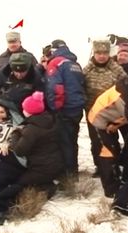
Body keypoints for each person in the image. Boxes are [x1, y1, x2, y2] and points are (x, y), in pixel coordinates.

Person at [83, 39, 127, 178]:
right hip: (93, 112)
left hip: (112, 112)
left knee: (112, 140)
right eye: (98, 53)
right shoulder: (87, 70)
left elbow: (125, 88)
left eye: (105, 53)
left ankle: (114, 166)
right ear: (94, 53)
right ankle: (99, 166)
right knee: (96, 140)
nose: (102, 56)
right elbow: (81, 87)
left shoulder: (117, 69)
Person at [8, 91, 64, 197]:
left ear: (29, 112)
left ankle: (47, 189)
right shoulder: (50, 120)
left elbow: (20, 151)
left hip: (41, 168)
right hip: (56, 164)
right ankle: (48, 184)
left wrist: (15, 134)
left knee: (19, 183)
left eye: (24, 108)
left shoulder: (32, 129)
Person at [45, 39, 85, 177]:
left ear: (54, 50)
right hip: (77, 107)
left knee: (64, 142)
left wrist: (54, 108)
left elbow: (55, 88)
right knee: (72, 141)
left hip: (64, 108)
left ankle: (67, 176)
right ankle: (73, 171)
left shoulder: (56, 62)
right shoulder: (75, 64)